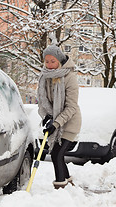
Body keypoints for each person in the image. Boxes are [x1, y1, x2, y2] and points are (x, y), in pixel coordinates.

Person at [37, 44, 82, 189]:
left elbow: (71, 107)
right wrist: (47, 117)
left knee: (56, 154)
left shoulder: (69, 77)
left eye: (53, 61)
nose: (49, 65)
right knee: (58, 155)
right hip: (56, 121)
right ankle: (68, 183)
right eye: (47, 61)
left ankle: (60, 188)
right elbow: (42, 101)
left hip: (70, 122)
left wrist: (55, 124)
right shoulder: (44, 77)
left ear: (60, 60)